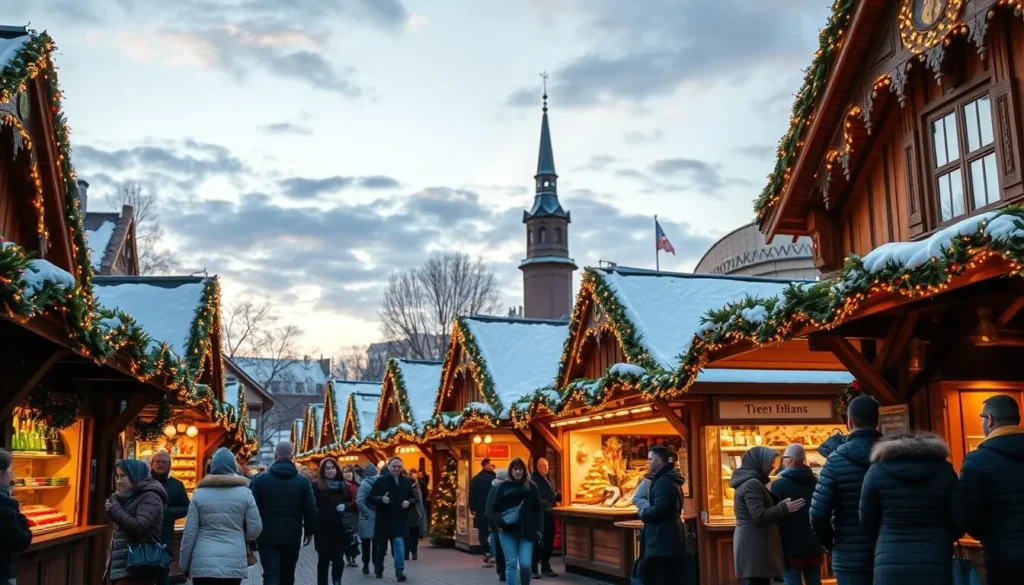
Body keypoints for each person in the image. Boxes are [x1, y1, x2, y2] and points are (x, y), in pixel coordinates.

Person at [859, 432, 964, 585]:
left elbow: (866, 520)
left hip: (890, 559)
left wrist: (883, 536)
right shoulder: (945, 471)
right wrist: (944, 537)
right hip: (935, 558)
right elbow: (960, 520)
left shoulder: (876, 472)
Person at [809, 395, 882, 585]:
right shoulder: (894, 456)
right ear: (877, 421)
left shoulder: (835, 460)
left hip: (849, 556)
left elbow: (818, 514)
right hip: (889, 553)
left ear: (849, 422)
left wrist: (832, 543)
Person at [960, 395, 1024, 585]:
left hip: (1001, 556)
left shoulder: (975, 461)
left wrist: (988, 535)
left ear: (989, 420)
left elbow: (968, 514)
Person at [179, 448, 262, 585]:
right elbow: (256, 528)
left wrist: (184, 564)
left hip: (203, 562)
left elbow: (189, 534)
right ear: (234, 467)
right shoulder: (245, 493)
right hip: (233, 559)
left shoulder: (199, 494)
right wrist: (242, 537)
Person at [731, 446, 804, 585]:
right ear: (759, 462)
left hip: (754, 543)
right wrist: (782, 508)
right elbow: (759, 516)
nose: (772, 466)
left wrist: (779, 506)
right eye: (770, 462)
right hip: (755, 544)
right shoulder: (752, 483)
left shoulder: (752, 481)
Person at [250, 441, 316, 585]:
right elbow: (310, 508)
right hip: (292, 534)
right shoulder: (302, 481)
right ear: (292, 456)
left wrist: (252, 534)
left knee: (270, 573)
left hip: (266, 534)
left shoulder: (261, 480)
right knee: (288, 572)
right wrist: (310, 531)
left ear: (275, 455)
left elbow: (253, 508)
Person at [104, 459, 168, 585]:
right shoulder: (127, 497)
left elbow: (139, 527)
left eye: (123, 476)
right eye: (117, 476)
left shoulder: (150, 497)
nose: (118, 481)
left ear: (135, 475)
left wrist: (115, 510)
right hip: (122, 569)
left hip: (137, 569)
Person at [771, 445, 825, 585]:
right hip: (814, 542)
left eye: (784, 458)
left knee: (792, 581)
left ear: (792, 460)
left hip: (789, 544)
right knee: (814, 580)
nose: (783, 461)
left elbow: (775, 516)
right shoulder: (817, 482)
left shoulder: (779, 485)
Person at [637, 446, 685, 585]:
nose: (648, 462)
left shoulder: (663, 481)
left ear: (659, 460)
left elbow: (660, 509)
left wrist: (644, 513)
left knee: (656, 576)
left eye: (650, 459)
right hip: (667, 537)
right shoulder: (669, 478)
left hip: (661, 538)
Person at [491, 458, 542, 585]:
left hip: (526, 531)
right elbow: (494, 509)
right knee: (511, 564)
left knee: (525, 564)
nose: (518, 472)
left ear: (524, 471)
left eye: (520, 469)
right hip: (507, 531)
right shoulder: (503, 487)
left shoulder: (532, 487)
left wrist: (539, 529)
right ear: (511, 471)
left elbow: (538, 509)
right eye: (515, 469)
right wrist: (500, 522)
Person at [368, 457, 418, 582]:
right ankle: (379, 568)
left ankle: (399, 571)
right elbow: (370, 498)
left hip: (399, 519)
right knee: (381, 548)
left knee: (399, 544)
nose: (396, 469)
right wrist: (381, 499)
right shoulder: (381, 481)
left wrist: (409, 502)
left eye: (399, 467)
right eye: (394, 466)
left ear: (402, 468)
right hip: (384, 520)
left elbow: (413, 498)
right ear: (388, 467)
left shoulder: (406, 482)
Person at [313, 457, 357, 585]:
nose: (330, 470)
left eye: (332, 467)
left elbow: (353, 503)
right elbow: (312, 504)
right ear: (322, 470)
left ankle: (337, 581)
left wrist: (346, 506)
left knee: (338, 559)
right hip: (322, 527)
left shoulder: (343, 485)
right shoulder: (316, 485)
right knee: (323, 560)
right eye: (327, 468)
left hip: (339, 527)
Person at [150, 450, 190, 585]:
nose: (160, 465)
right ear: (152, 464)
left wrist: (169, 512)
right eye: (157, 462)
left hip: (165, 535)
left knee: (163, 570)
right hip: (144, 534)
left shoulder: (177, 485)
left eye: (164, 462)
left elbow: (186, 507)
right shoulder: (144, 482)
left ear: (169, 465)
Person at [0, 449, 32, 583]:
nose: (11, 477)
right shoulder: (5, 509)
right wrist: (17, 509)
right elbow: (21, 541)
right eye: (9, 472)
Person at [530, 458, 560, 579]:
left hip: (549, 515)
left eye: (547, 465)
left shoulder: (549, 479)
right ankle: (534, 569)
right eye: (543, 466)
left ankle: (546, 566)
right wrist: (548, 502)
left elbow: (550, 495)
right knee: (538, 543)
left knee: (548, 541)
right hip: (540, 517)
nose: (546, 468)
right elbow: (535, 499)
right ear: (537, 467)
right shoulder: (534, 480)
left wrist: (556, 497)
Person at [470, 458, 497, 566]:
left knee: (482, 532)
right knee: (492, 531)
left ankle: (488, 552)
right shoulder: (494, 479)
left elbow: (472, 495)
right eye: (490, 464)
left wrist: (473, 508)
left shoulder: (476, 479)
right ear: (485, 465)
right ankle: (492, 552)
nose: (492, 466)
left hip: (480, 509)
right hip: (492, 509)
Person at [485, 468, 509, 581]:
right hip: (501, 522)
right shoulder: (500, 489)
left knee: (500, 547)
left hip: (496, 522)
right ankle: (503, 571)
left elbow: (488, 508)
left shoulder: (493, 487)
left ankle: (502, 571)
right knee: (502, 547)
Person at [357, 463, 379, 575]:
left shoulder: (364, 484)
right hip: (377, 515)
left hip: (366, 518)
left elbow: (360, 501)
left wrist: (366, 513)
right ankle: (375, 565)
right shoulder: (380, 482)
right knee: (376, 544)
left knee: (366, 544)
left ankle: (366, 565)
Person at [403, 471, 427, 562]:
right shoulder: (414, 485)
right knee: (413, 535)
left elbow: (416, 498)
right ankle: (413, 553)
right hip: (414, 514)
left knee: (407, 535)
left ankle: (408, 553)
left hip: (410, 514)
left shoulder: (408, 484)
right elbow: (418, 499)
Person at [341, 465, 362, 568]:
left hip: (356, 514)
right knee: (349, 536)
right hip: (346, 513)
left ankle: (352, 558)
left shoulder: (357, 484)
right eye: (345, 471)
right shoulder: (341, 485)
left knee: (354, 537)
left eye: (349, 471)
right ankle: (349, 558)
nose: (348, 473)